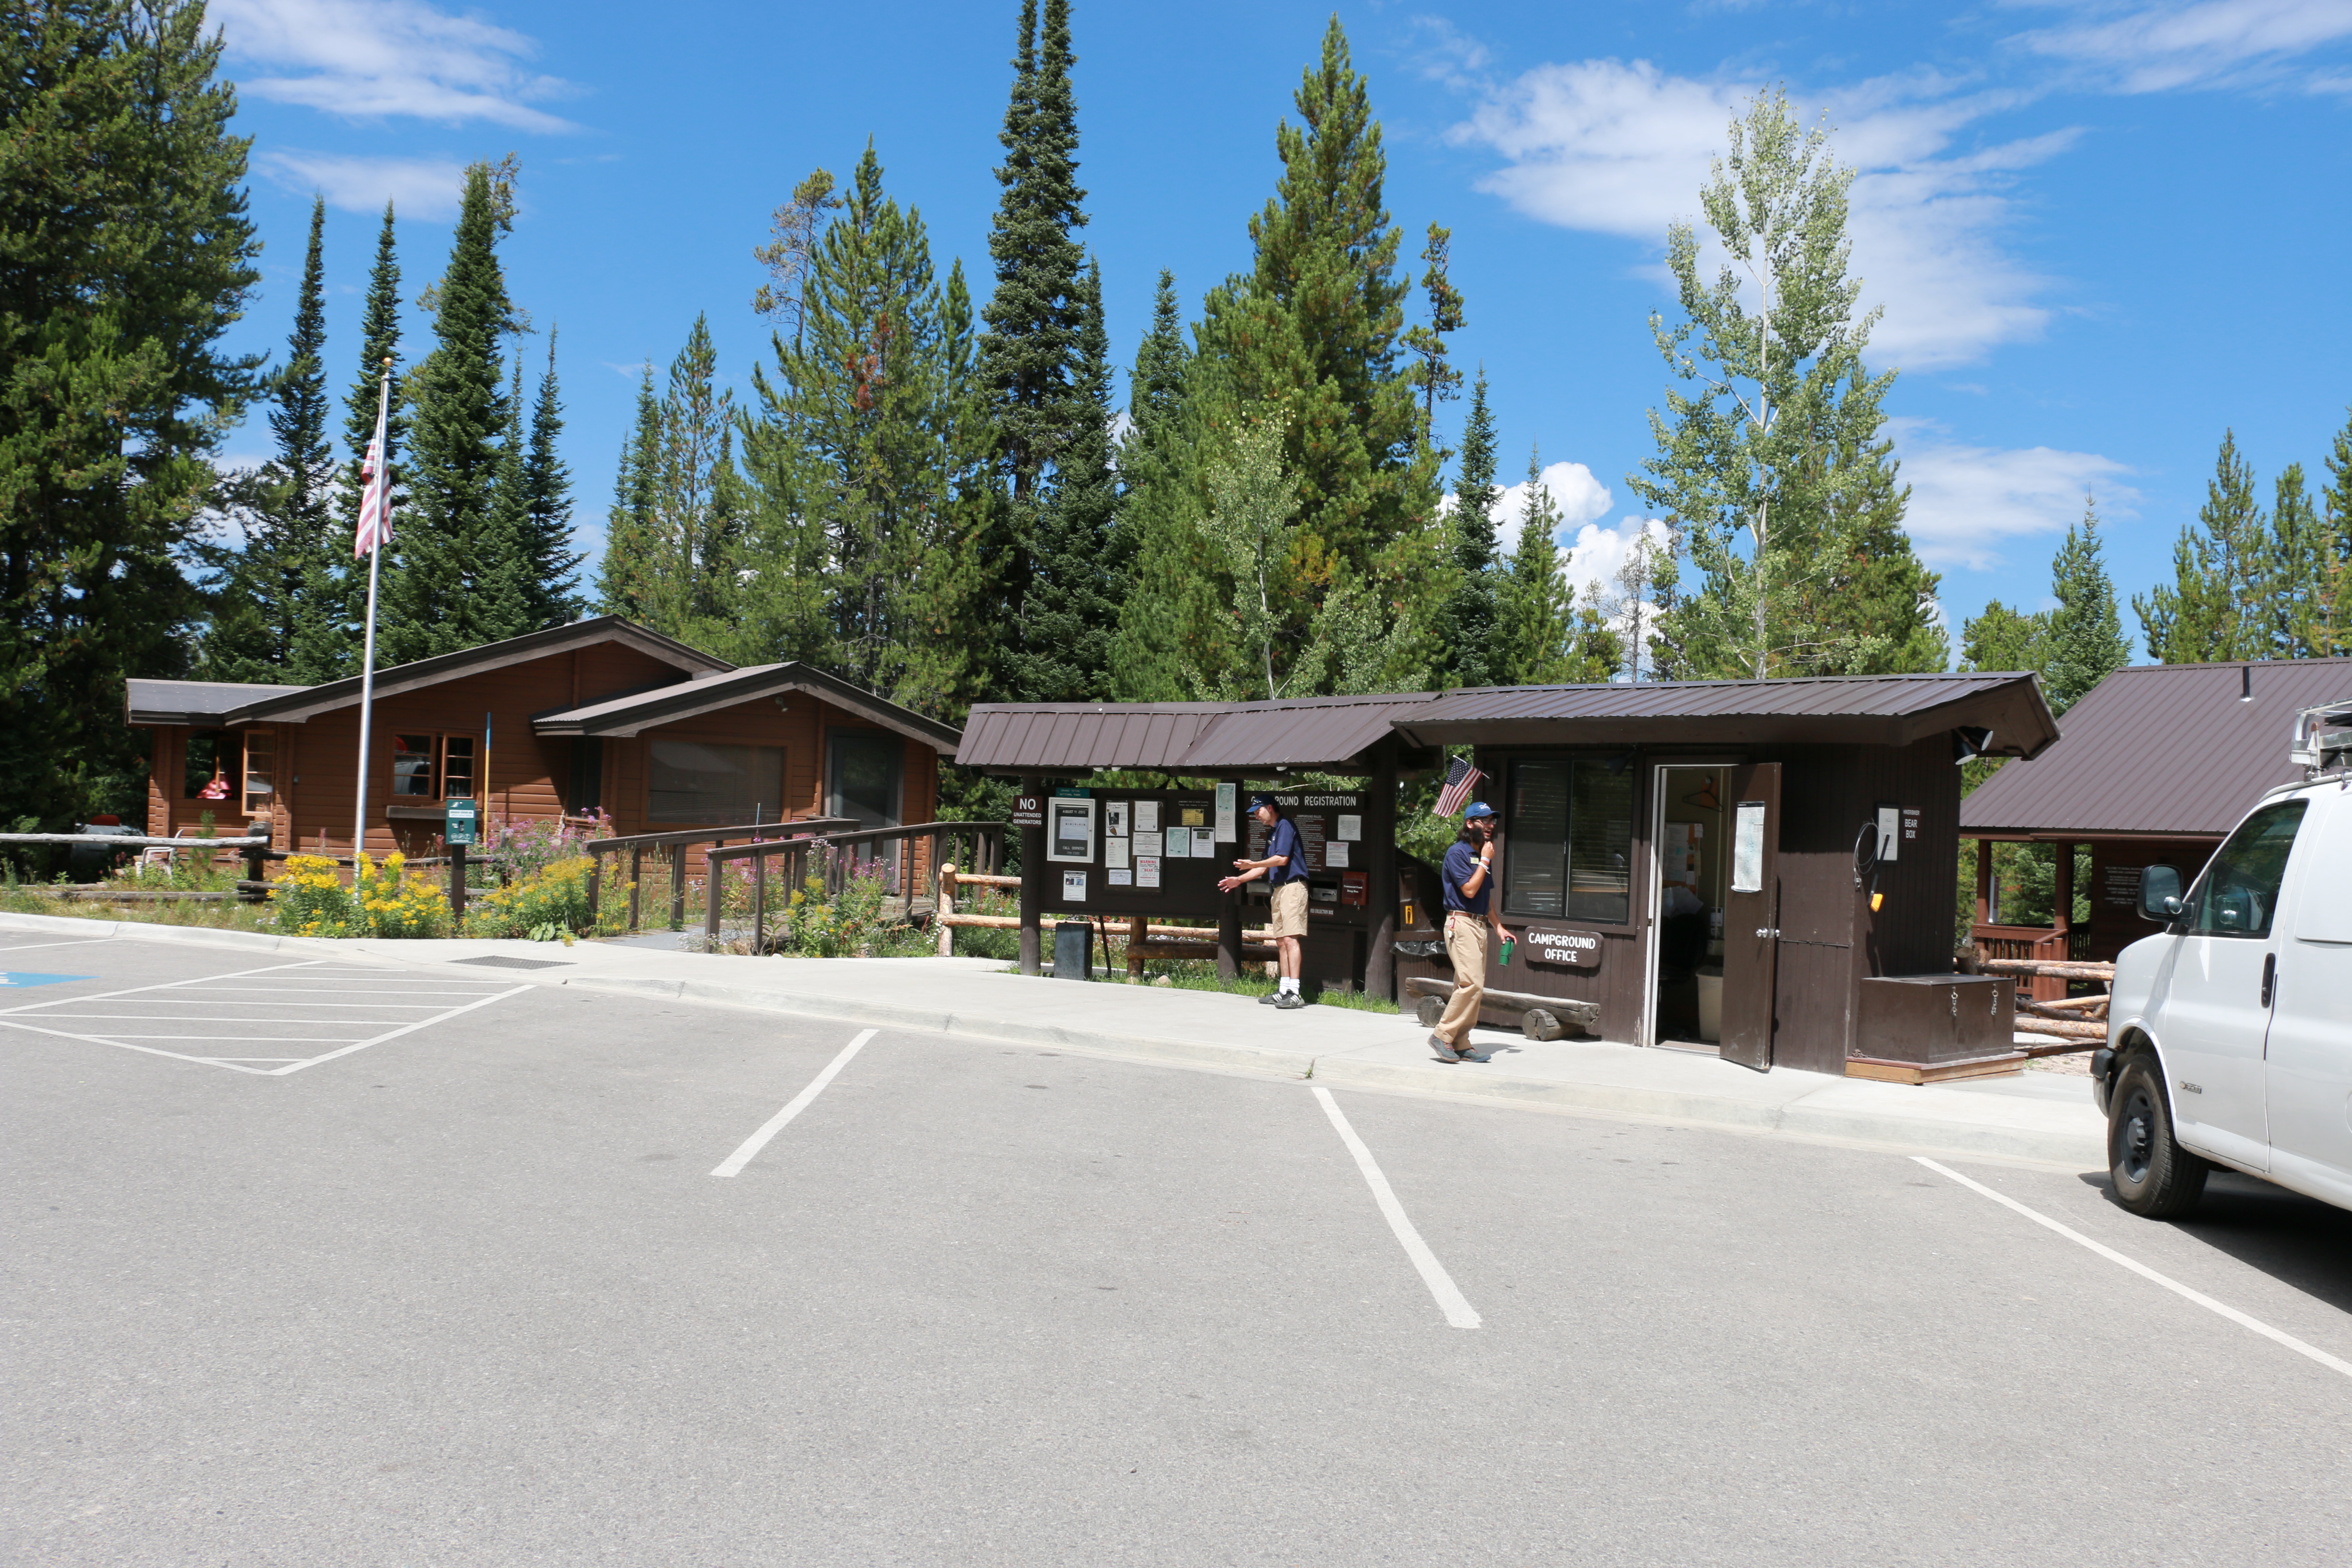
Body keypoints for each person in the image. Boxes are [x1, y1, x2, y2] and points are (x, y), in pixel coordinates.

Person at [1219, 795, 1308, 1010]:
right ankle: (1284, 990)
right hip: (1278, 889)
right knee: (1281, 941)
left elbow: (1282, 859)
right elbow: (1264, 868)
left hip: (1293, 888)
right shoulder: (1273, 832)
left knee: (1291, 940)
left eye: (1258, 811)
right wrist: (1239, 880)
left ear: (1270, 808)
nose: (1256, 816)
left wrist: (1253, 864)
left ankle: (1295, 992)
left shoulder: (1285, 825)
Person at [1432, 801, 1506, 1061]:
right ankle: (1442, 1035)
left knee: (1472, 986)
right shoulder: (1458, 853)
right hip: (1460, 923)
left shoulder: (1480, 854)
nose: (1490, 825)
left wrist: (1499, 927)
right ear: (1469, 824)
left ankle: (1460, 1042)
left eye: (1492, 821)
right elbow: (1470, 890)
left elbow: (1485, 897)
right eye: (1485, 821)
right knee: (1471, 983)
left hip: (1479, 925)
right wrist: (1485, 860)